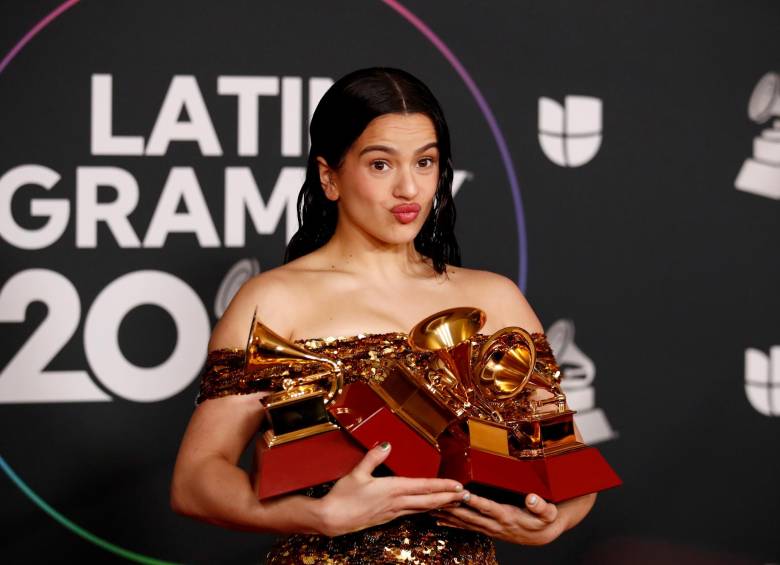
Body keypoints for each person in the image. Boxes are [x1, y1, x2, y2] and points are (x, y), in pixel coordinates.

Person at [170, 67, 596, 563]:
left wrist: (552, 523)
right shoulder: (274, 301)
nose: (408, 189)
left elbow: (569, 460)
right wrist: (316, 515)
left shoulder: (494, 298)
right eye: (380, 164)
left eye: (425, 162)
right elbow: (196, 480)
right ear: (329, 176)